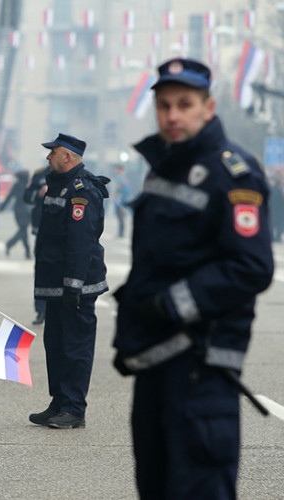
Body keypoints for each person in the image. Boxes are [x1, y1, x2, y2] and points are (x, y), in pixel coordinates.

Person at [112, 58, 274, 499]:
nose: (172, 115)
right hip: (156, 367)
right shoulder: (164, 167)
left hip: (202, 374)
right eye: (164, 106)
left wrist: (171, 304)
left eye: (184, 104)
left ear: (208, 107)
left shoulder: (232, 172)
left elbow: (251, 266)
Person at [30, 133, 109, 430]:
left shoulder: (82, 190)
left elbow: (81, 240)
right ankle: (60, 402)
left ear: (68, 157)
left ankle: (74, 408)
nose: (48, 157)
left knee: (75, 348)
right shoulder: (58, 184)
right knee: (56, 345)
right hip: (56, 282)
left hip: (76, 285)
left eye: (53, 152)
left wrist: (73, 284)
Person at [24, 165, 50, 325]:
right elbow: (27, 196)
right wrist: (39, 194)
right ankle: (41, 309)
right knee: (41, 270)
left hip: (63, 232)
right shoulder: (39, 175)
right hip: (41, 228)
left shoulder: (73, 175)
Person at [0, 169, 32, 259]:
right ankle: (10, 244)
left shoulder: (17, 185)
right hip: (26, 212)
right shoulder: (28, 186)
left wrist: (2, 207)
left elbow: (9, 197)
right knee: (23, 230)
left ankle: (27, 252)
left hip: (18, 211)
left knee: (23, 231)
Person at [112, 164, 131, 238]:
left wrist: (123, 201)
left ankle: (121, 233)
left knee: (121, 217)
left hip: (121, 201)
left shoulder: (124, 180)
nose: (118, 171)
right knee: (118, 216)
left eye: (119, 170)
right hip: (117, 200)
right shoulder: (118, 178)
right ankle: (119, 232)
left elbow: (126, 191)